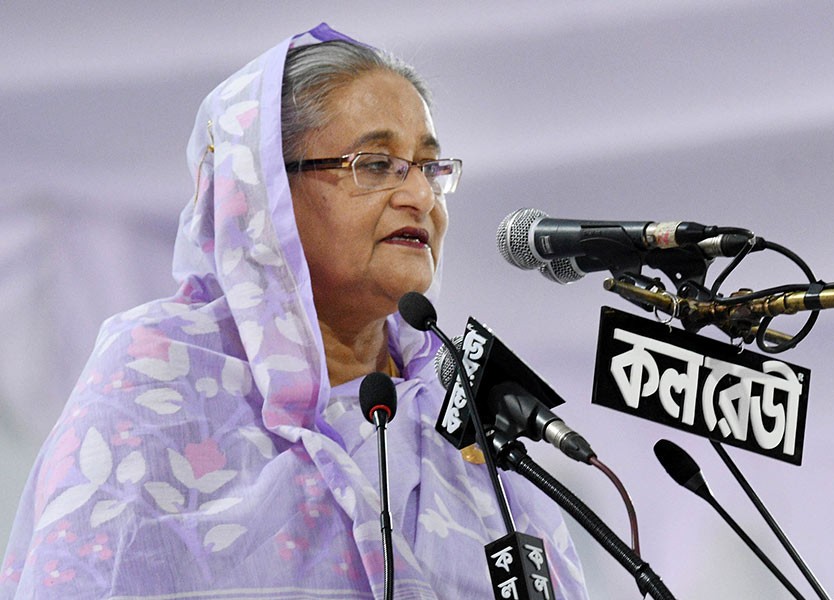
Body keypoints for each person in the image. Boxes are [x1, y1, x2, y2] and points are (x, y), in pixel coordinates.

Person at [1, 23, 588, 598]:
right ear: (265, 194)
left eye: (430, 169)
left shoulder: (462, 411)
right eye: (376, 165)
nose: (420, 196)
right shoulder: (157, 373)